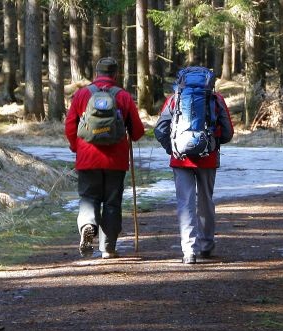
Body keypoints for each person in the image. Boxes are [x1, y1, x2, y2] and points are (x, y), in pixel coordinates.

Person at [64, 57, 145, 259]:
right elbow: (137, 132)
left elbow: (70, 125)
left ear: (96, 74)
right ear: (116, 75)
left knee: (88, 197)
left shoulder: (82, 94)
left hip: (87, 157)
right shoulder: (123, 96)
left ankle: (87, 225)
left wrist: (76, 147)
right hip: (115, 161)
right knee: (112, 202)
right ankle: (107, 248)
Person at [154, 68, 234, 264]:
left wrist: (171, 148)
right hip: (208, 159)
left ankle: (189, 251)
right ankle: (206, 246)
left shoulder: (175, 99)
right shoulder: (216, 99)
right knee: (206, 201)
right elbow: (228, 132)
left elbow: (160, 129)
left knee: (185, 203)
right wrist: (212, 144)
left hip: (180, 159)